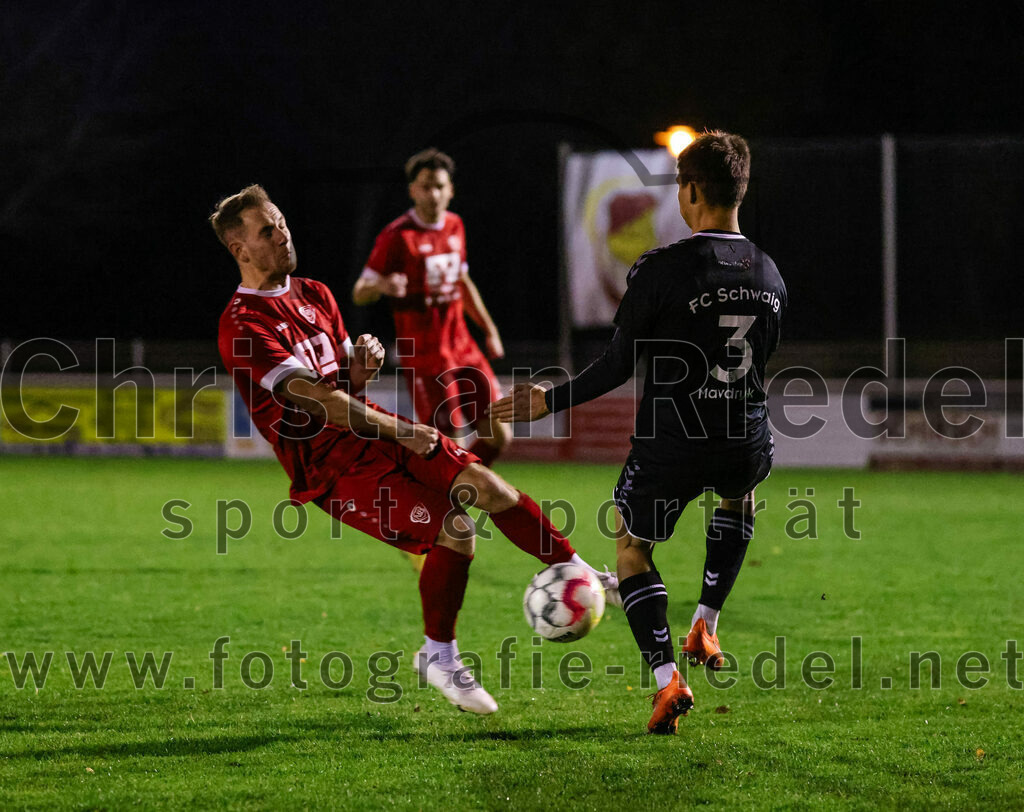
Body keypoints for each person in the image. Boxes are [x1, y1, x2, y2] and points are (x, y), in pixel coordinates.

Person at [212, 184, 616, 716]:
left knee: (490, 487)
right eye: (267, 231)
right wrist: (399, 428)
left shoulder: (315, 293)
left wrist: (357, 371)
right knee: (457, 530)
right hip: (332, 467)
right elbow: (317, 403)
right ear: (240, 249)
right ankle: (439, 655)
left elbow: (339, 388)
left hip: (371, 433)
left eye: (281, 221)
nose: (283, 233)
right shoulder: (241, 325)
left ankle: (580, 571)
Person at [490, 132, 787, 734]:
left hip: (674, 443)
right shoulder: (770, 273)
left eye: (679, 186)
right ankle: (706, 621)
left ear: (693, 189)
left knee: (632, 548)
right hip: (745, 436)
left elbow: (617, 366)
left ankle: (665, 679)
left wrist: (550, 398)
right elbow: (764, 357)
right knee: (740, 494)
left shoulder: (663, 268)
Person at [351, 148, 509, 467]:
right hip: (424, 355)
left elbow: (462, 283)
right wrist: (382, 285)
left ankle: (461, 488)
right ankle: (451, 500)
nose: (433, 194)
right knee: (451, 441)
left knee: (499, 434)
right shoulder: (397, 236)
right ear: (412, 190)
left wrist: (489, 330)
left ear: (451, 190)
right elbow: (359, 292)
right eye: (425, 186)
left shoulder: (455, 225)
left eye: (439, 186)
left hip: (463, 347)